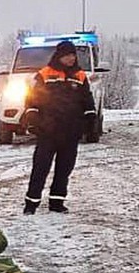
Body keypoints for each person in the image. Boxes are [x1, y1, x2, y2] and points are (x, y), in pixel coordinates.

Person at [23, 40, 97, 214]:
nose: (71, 58)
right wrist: (33, 118)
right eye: (68, 55)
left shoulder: (80, 75)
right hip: (48, 130)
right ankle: (31, 203)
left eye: (73, 55)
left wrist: (90, 118)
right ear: (60, 56)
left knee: (64, 169)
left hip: (71, 131)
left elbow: (87, 99)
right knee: (40, 168)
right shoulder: (44, 74)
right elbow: (32, 98)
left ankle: (57, 203)